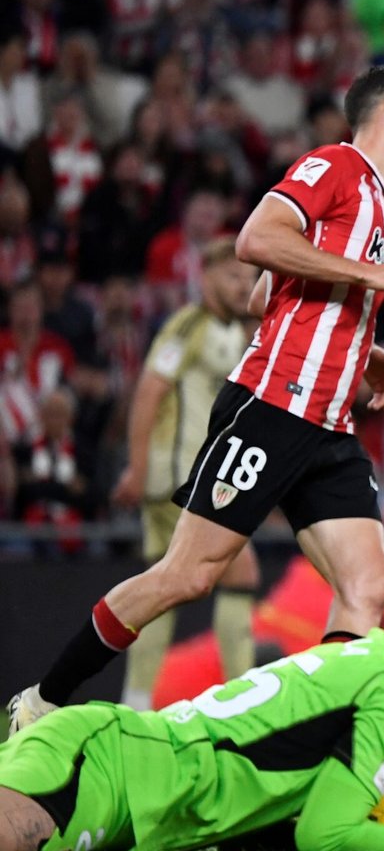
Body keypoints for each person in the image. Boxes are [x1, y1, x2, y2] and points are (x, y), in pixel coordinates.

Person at [8, 64, 384, 733]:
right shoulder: (336, 166)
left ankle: (322, 749)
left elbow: (264, 295)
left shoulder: (379, 204)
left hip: (326, 423)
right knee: (186, 574)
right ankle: (42, 698)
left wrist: (363, 348)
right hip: (272, 405)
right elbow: (254, 244)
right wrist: (367, 276)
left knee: (367, 588)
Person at [0, 558, 384, 851]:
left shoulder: (368, 657)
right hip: (112, 774)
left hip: (117, 757)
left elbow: (282, 814)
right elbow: (326, 834)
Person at [109, 240, 262, 711]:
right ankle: (248, 703)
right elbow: (148, 393)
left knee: (163, 589)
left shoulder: (230, 331)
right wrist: (136, 467)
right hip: (180, 478)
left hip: (191, 479)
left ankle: (135, 703)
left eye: (248, 277)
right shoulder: (188, 326)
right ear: (206, 277)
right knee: (241, 572)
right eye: (233, 276)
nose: (244, 285)